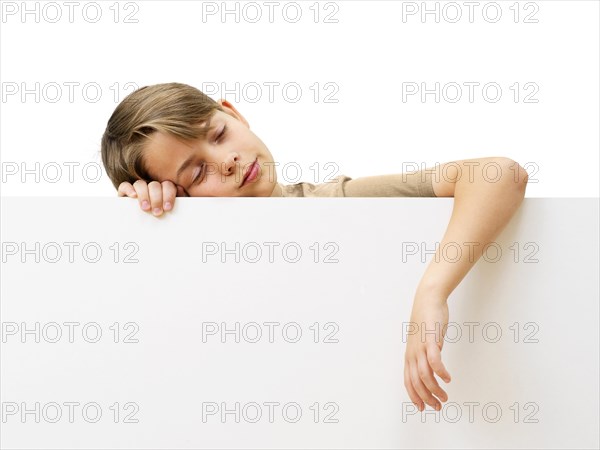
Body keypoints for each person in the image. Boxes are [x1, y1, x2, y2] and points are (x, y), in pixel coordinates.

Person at [101, 82, 529, 412]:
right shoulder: (189, 270)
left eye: (218, 134)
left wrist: (432, 292)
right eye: (196, 174)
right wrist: (144, 226)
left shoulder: (330, 203)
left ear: (234, 114)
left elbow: (497, 173)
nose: (226, 160)